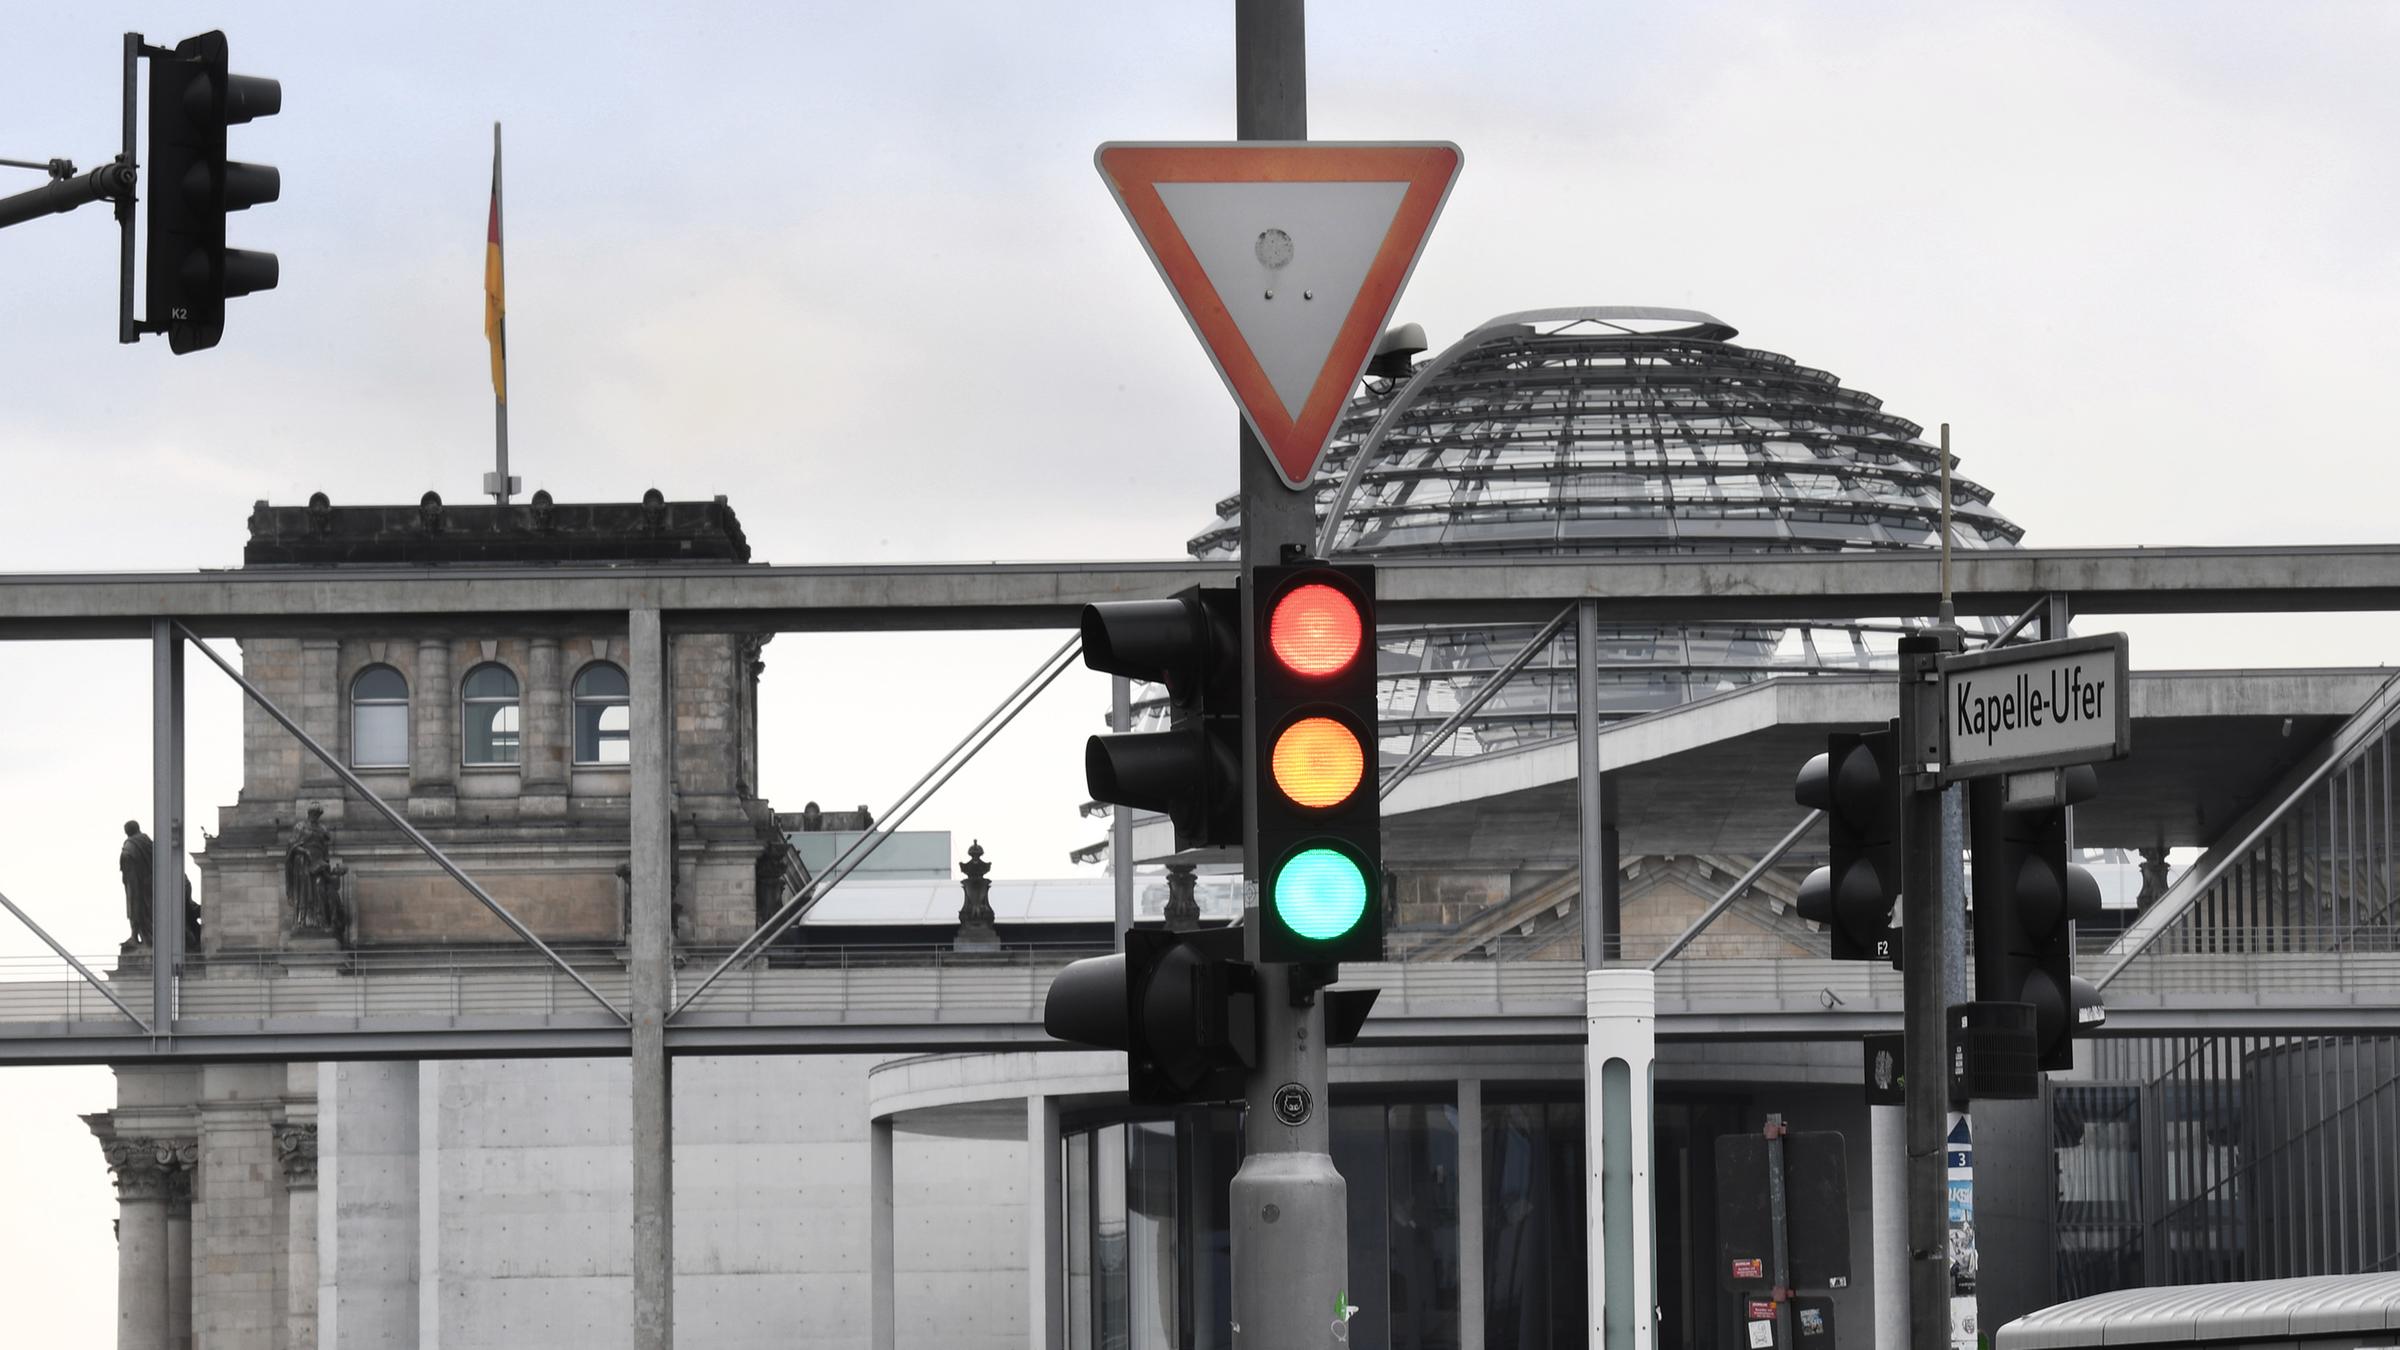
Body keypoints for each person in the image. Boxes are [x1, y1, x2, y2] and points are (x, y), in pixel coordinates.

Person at [119, 821, 154, 945]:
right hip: (150, 883)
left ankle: (135, 936)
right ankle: (140, 936)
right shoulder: (148, 842)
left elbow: (126, 857)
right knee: (145, 909)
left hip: (136, 882)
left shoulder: (130, 844)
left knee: (134, 906)